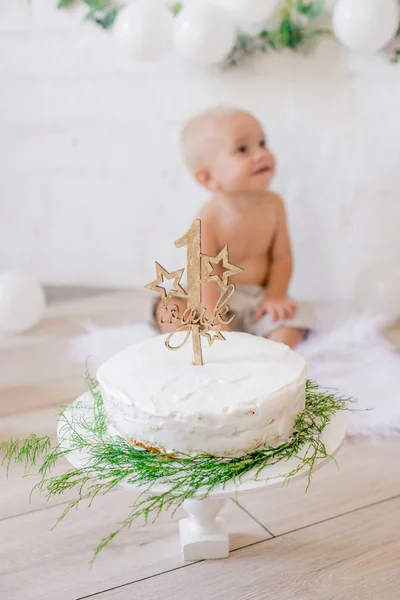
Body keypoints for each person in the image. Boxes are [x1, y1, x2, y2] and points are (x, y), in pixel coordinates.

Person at [156, 107, 313, 349]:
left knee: (290, 327)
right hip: (211, 300)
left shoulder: (274, 204)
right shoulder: (207, 219)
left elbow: (282, 258)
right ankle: (196, 345)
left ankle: (268, 355)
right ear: (208, 178)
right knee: (169, 307)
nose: (261, 154)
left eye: (262, 143)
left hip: (257, 300)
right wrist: (215, 322)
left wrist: (276, 296)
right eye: (242, 149)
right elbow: (203, 279)